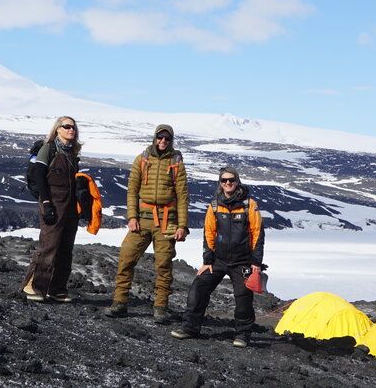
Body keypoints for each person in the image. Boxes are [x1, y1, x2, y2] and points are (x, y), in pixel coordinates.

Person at [171, 167, 265, 347]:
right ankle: (190, 327)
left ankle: (243, 335)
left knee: (244, 297)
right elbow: (209, 233)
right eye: (224, 180)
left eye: (231, 180)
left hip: (243, 261)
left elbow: (257, 233)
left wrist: (256, 263)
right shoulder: (214, 205)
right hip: (218, 260)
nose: (228, 183)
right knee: (199, 287)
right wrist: (207, 261)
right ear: (220, 183)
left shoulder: (249, 204)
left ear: (237, 181)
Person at [104, 124, 189, 323]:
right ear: (155, 138)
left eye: (167, 139)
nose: (163, 142)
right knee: (126, 258)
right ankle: (119, 302)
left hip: (167, 221)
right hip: (142, 219)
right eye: (160, 137)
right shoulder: (142, 159)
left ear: (171, 141)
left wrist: (182, 226)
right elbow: (132, 190)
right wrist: (131, 217)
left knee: (164, 265)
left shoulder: (176, 162)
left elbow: (183, 196)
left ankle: (160, 307)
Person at [21, 116, 81, 303]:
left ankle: (57, 289)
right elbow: (39, 175)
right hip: (53, 202)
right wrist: (46, 202)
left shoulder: (72, 152)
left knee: (65, 247)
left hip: (69, 205)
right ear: (57, 129)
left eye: (73, 127)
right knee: (49, 244)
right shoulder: (49, 149)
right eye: (67, 126)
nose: (71, 129)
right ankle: (33, 286)